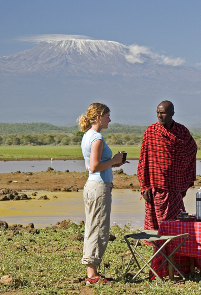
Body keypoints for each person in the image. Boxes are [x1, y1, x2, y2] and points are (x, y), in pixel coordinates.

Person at [77, 102, 125, 285]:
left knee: (92, 226)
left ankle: (91, 272)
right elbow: (96, 166)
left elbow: (89, 166)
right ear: (99, 117)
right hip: (99, 187)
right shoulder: (96, 138)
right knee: (99, 229)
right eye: (107, 116)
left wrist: (113, 162)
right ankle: (92, 275)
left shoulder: (87, 136)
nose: (109, 120)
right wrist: (113, 160)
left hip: (91, 185)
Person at [138, 100, 197, 230]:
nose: (160, 116)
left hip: (175, 185)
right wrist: (145, 186)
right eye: (158, 113)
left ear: (172, 113)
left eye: (163, 113)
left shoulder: (182, 132)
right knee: (158, 224)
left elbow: (192, 149)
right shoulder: (151, 131)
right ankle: (160, 248)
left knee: (177, 220)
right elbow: (144, 160)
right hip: (155, 186)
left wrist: (179, 170)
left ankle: (174, 247)